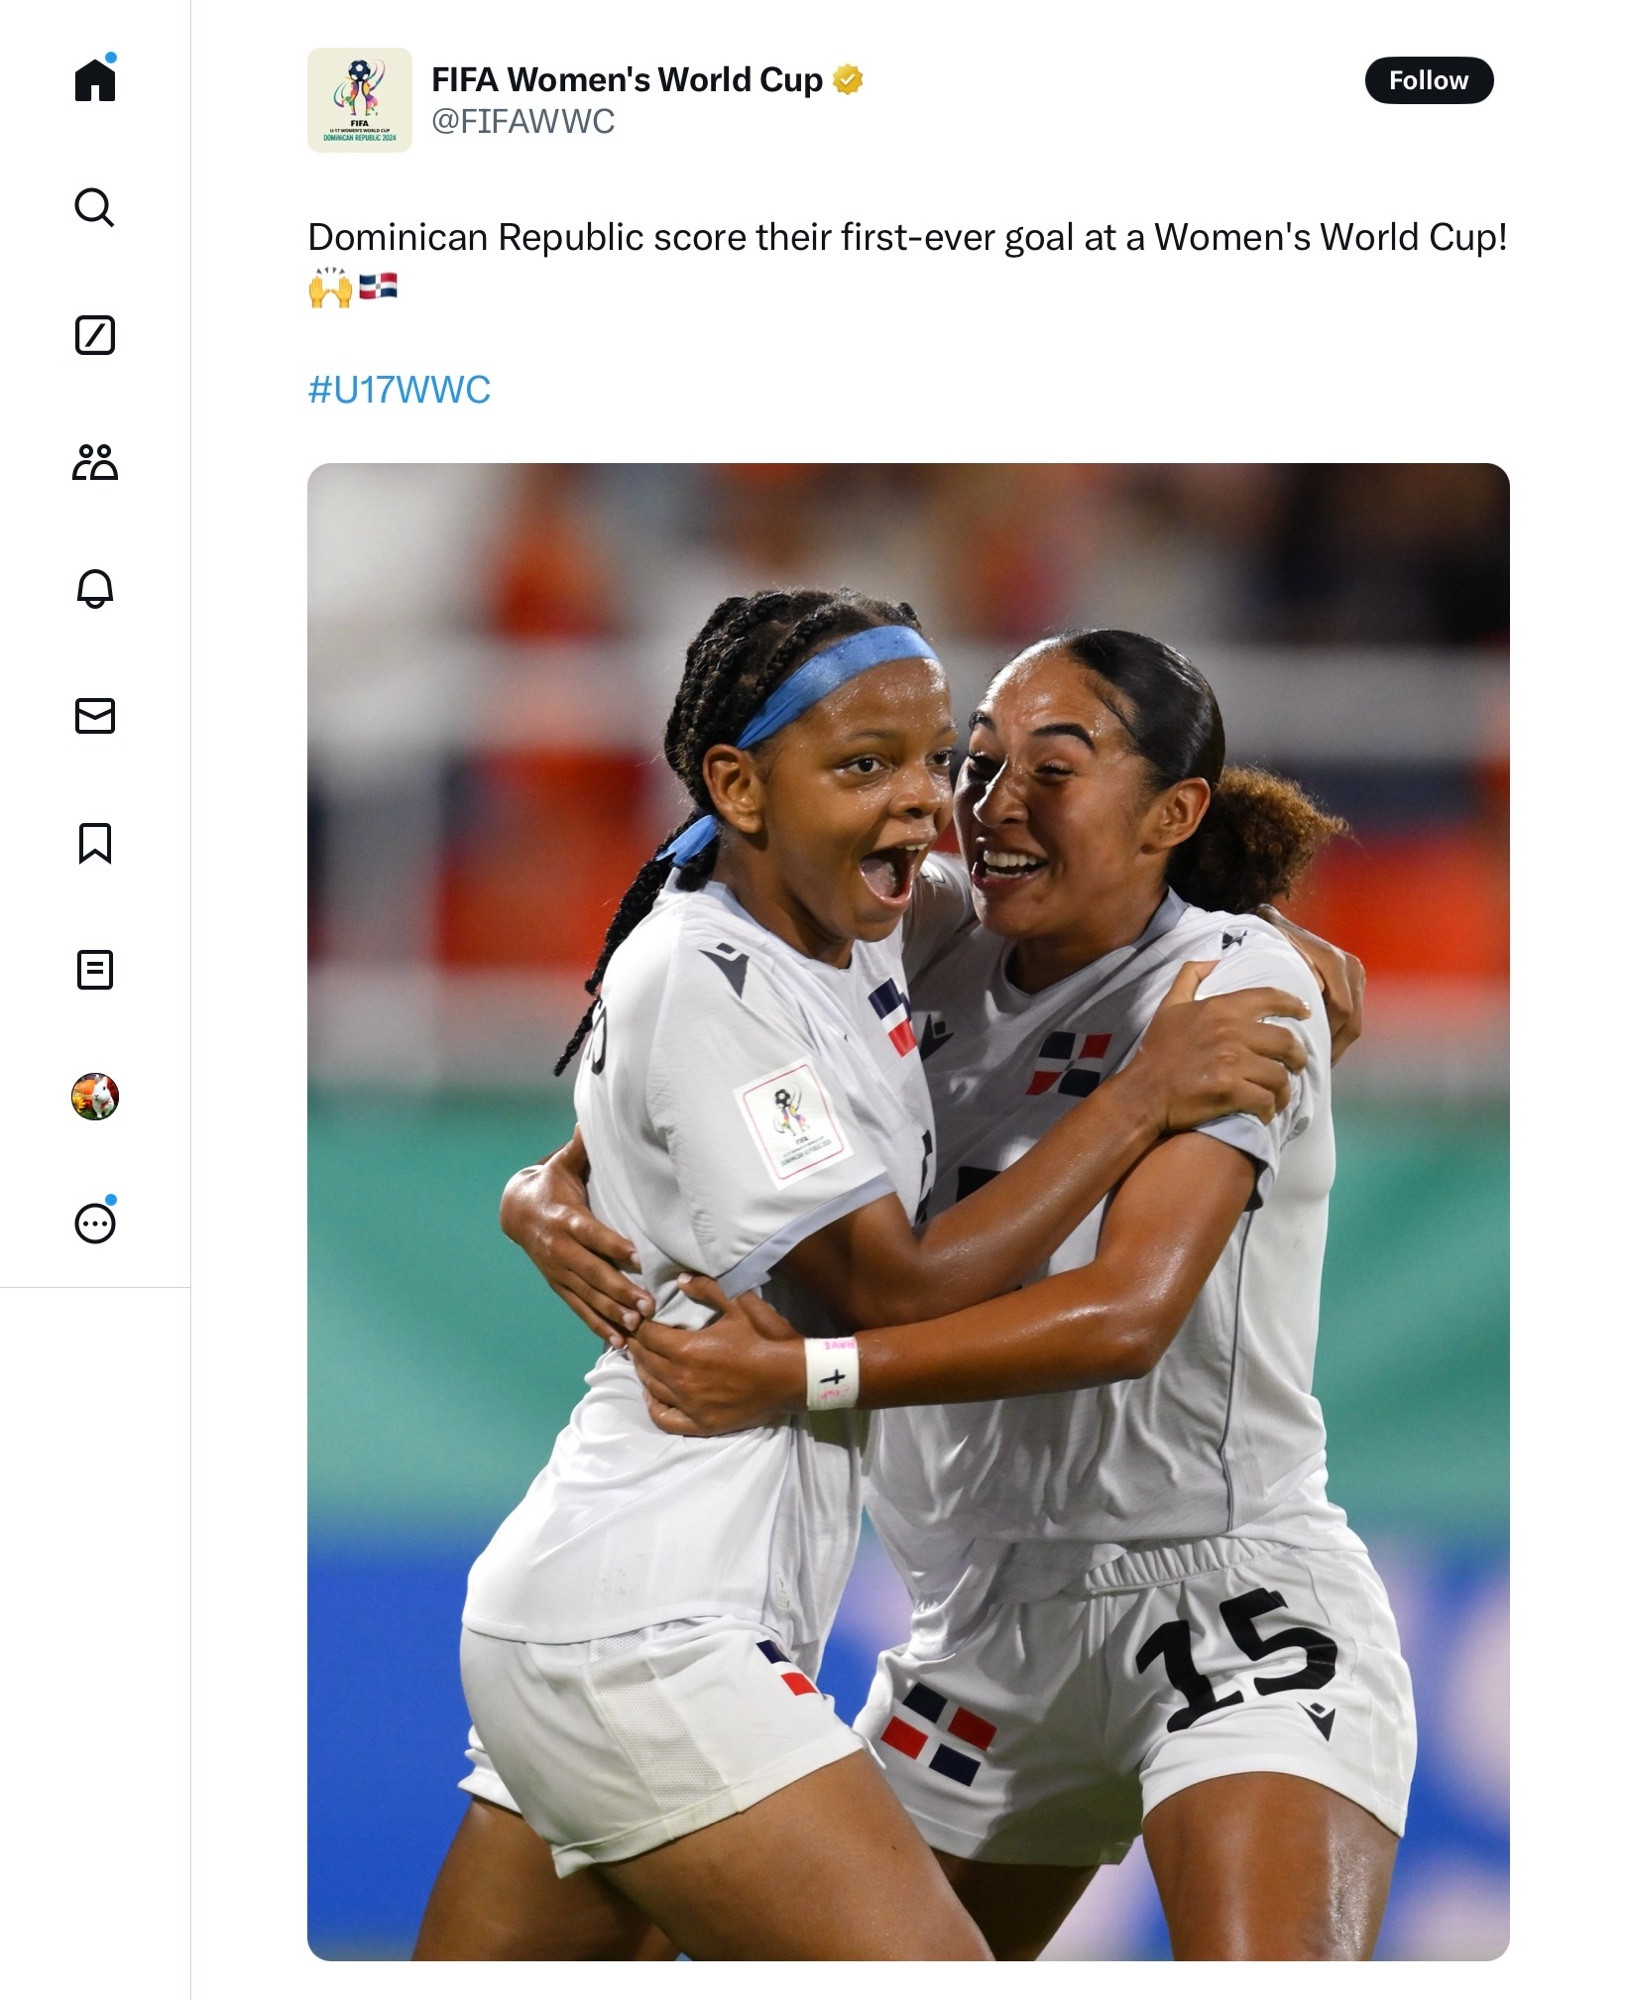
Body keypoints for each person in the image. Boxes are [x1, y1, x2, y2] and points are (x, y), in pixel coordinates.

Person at [414, 594, 1314, 1962]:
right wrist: (1136, 1102)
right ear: (737, 784)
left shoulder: (856, 933)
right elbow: (896, 1287)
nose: (924, 806)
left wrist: (1272, 948)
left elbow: (1091, 917)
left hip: (625, 1607)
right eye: (859, 767)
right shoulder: (719, 974)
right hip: (654, 1622)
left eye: (929, 760)